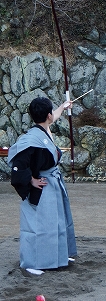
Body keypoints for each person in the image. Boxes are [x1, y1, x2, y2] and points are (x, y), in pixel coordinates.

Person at [7, 97, 77, 274]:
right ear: (48, 116)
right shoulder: (31, 139)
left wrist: (63, 106)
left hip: (52, 184)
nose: (54, 115)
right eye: (52, 112)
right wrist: (31, 180)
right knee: (37, 227)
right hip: (40, 187)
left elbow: (53, 117)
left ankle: (57, 255)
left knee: (57, 223)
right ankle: (32, 262)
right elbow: (18, 166)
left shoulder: (43, 130)